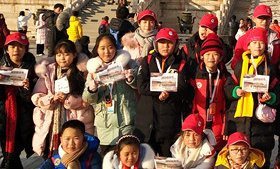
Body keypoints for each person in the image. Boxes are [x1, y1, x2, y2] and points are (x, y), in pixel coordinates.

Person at [226, 27, 280, 167]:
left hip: (261, 120)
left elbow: (277, 88)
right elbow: (228, 85)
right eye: (254, 43)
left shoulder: (270, 67)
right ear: (248, 46)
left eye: (261, 43)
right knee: (239, 156)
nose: (258, 46)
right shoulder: (240, 65)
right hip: (240, 118)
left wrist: (271, 97)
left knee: (262, 158)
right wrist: (235, 91)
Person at [0, 32, 37, 169]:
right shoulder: (0, 68)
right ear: (7, 49)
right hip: (3, 116)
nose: (16, 50)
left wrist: (26, 89)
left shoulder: (32, 70)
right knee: (7, 147)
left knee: (16, 147)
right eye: (12, 46)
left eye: (20, 46)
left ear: (25, 49)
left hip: (23, 116)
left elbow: (30, 99)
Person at [32, 40, 93, 157]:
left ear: (74, 55)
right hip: (51, 120)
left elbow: (87, 98)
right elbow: (36, 95)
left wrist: (68, 99)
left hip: (75, 118)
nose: (62, 58)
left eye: (66, 54)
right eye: (59, 55)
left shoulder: (81, 73)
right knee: (52, 160)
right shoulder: (48, 71)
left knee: (75, 157)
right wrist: (50, 99)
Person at [83, 33, 139, 156]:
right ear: (97, 49)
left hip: (126, 122)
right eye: (102, 48)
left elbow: (140, 86)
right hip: (105, 124)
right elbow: (87, 99)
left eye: (110, 47)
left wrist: (131, 78)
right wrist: (92, 90)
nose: (107, 52)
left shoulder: (128, 64)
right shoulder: (93, 70)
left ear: (116, 47)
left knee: (127, 158)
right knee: (107, 162)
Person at [134, 27, 187, 156]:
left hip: (168, 122)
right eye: (162, 43)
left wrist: (169, 94)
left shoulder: (181, 64)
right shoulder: (147, 60)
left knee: (166, 162)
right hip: (146, 121)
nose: (165, 46)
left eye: (169, 43)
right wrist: (159, 91)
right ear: (156, 44)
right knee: (146, 162)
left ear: (176, 45)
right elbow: (141, 86)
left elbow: (181, 89)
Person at [188, 33, 229, 148]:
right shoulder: (194, 74)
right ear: (202, 56)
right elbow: (189, 100)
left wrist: (226, 125)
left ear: (220, 57)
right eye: (207, 54)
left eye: (215, 54)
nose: (211, 58)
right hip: (199, 120)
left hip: (218, 122)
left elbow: (229, 104)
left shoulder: (225, 76)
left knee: (216, 151)